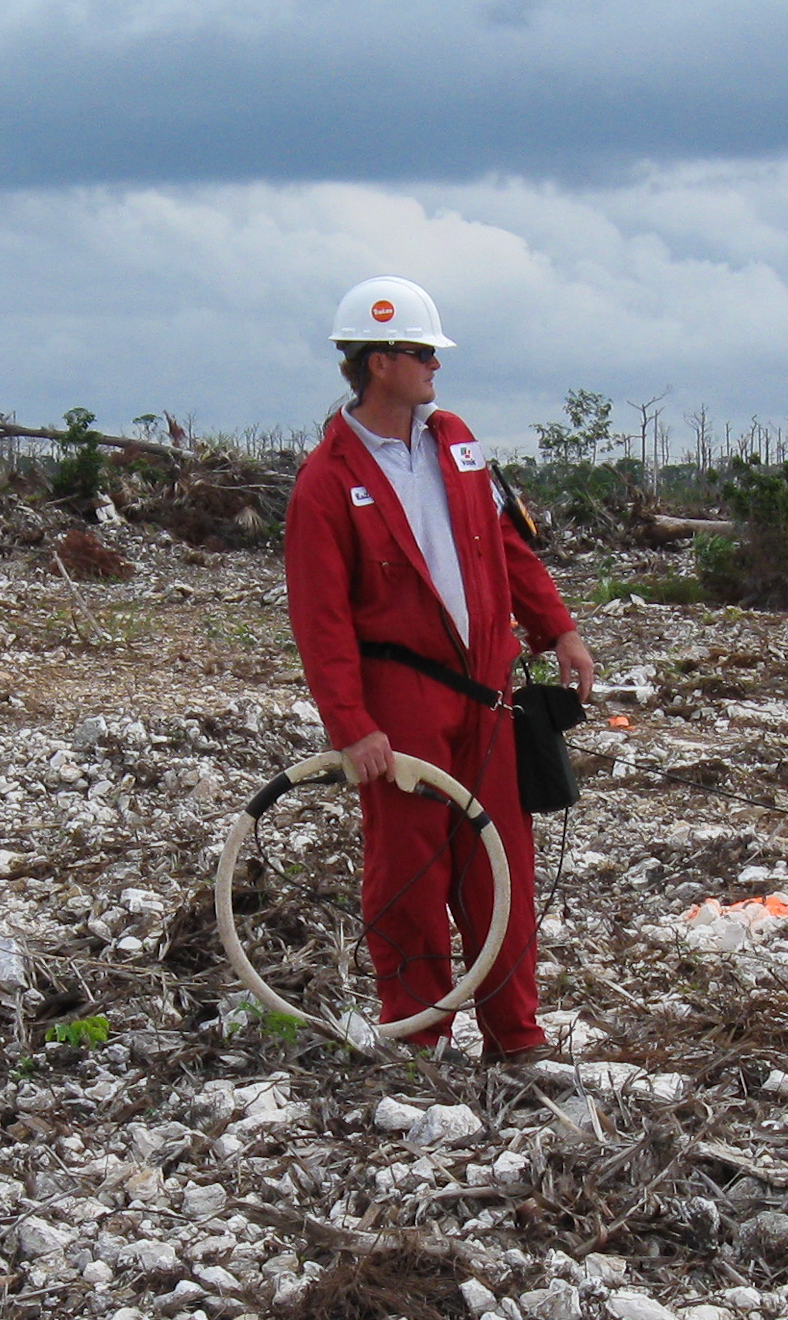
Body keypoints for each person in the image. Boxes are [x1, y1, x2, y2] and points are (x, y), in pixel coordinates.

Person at [284, 275, 594, 1062]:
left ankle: (517, 1041)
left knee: (504, 876)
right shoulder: (325, 483)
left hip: (489, 699)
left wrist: (557, 627)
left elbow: (508, 546)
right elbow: (321, 621)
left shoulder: (457, 441)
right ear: (378, 362)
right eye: (423, 353)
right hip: (404, 702)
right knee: (411, 877)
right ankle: (418, 1042)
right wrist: (352, 726)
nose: (435, 367)